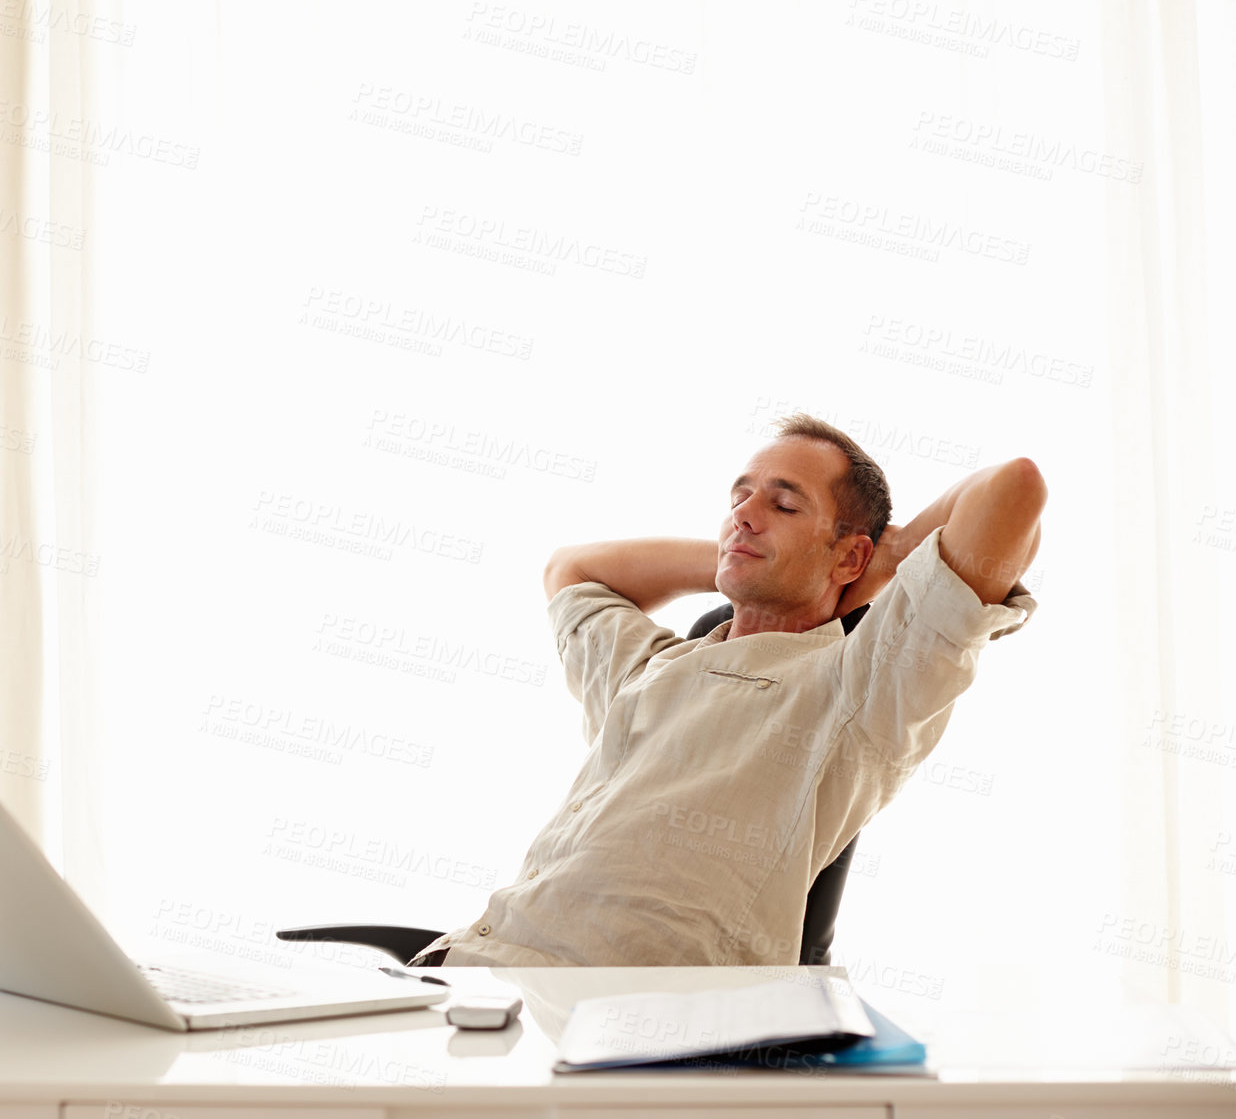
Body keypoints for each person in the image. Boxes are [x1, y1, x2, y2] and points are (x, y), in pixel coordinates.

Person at [409, 413, 1045, 967]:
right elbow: (569, 568)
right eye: (738, 500)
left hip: (621, 1023)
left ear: (851, 557)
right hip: (465, 972)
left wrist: (876, 563)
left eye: (784, 505)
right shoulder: (650, 669)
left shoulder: (862, 686)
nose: (744, 514)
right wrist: (734, 558)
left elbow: (1011, 490)